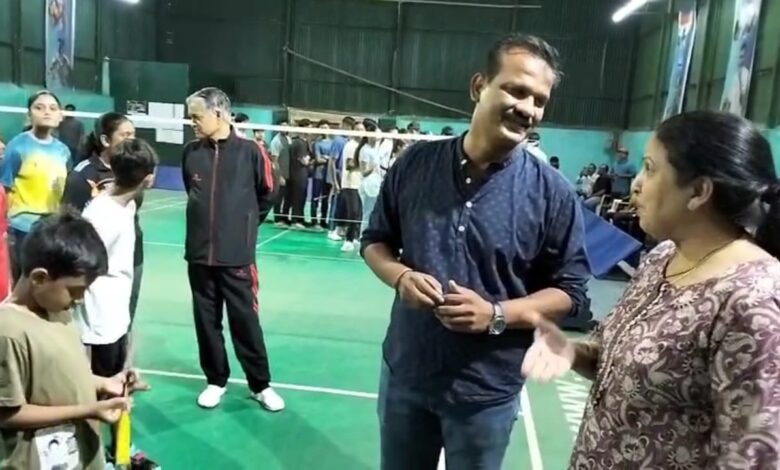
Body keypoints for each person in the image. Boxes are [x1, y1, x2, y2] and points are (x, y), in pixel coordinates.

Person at [361, 34, 589, 469]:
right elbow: (375, 240)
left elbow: (570, 292)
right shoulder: (415, 165)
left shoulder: (552, 194)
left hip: (486, 394)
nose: (528, 108)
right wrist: (400, 276)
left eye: (539, 101)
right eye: (516, 90)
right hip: (407, 372)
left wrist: (496, 314)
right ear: (478, 86)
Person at [523, 110, 780, 468]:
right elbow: (626, 363)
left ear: (699, 191)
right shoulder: (661, 258)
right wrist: (572, 351)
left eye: (650, 168)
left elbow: (754, 455)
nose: (636, 184)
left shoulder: (753, 299)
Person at [0, 210, 146, 470]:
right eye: (75, 290)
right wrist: (88, 410)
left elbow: (58, 376)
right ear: (39, 278)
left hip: (77, 454)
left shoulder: (59, 312)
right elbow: (9, 414)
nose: (80, 299)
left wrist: (106, 383)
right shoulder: (8, 331)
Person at [182, 87, 284, 412]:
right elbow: (192, 191)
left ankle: (260, 385)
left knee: (245, 322)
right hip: (199, 256)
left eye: (197, 116)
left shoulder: (251, 151)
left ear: (219, 113)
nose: (192, 122)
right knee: (206, 322)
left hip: (237, 257)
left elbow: (269, 191)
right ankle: (215, 380)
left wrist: (244, 225)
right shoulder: (190, 153)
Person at [61, 113, 147, 345]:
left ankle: (123, 362)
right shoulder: (83, 175)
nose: (131, 140)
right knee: (94, 327)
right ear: (106, 140)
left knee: (125, 317)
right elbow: (70, 223)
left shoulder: (132, 171)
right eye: (125, 135)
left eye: (133, 134)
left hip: (129, 257)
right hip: (94, 263)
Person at [1, 90, 71, 284]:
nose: (46, 112)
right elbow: (3, 189)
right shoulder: (17, 147)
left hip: (50, 228)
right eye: (39, 108)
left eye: (53, 108)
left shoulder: (63, 151)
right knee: (22, 284)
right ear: (29, 115)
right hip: (21, 228)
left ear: (60, 115)